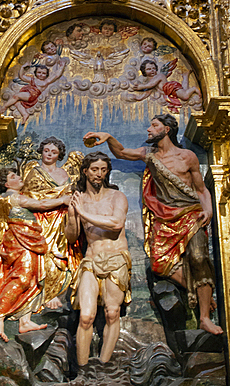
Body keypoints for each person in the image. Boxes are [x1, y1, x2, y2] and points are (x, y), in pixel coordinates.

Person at [87, 115, 222, 335]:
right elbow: (121, 152)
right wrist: (109, 136)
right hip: (165, 219)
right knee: (159, 266)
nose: (149, 129)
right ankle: (197, 292)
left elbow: (200, 189)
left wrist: (208, 210)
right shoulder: (149, 155)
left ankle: (205, 317)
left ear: (167, 130)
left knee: (199, 258)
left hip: (190, 214)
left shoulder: (187, 156)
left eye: (154, 126)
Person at [0, 168, 72, 341]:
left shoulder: (3, 199)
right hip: (22, 242)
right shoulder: (13, 197)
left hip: (28, 241)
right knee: (23, 278)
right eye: (13, 176)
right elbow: (41, 205)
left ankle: (25, 320)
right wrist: (63, 199)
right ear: (6, 184)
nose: (19, 178)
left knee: (33, 278)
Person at [65, 152, 130, 365]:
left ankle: (103, 365)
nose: (99, 174)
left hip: (116, 258)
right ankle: (83, 370)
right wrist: (73, 215)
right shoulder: (79, 200)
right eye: (94, 169)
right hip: (91, 260)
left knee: (112, 313)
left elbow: (116, 224)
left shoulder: (116, 196)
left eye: (103, 170)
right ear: (85, 171)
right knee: (86, 316)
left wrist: (82, 212)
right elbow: (72, 236)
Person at [21, 137, 82, 309]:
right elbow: (29, 195)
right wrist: (58, 199)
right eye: (46, 150)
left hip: (61, 220)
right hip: (39, 218)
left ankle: (55, 293)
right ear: (41, 151)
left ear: (59, 155)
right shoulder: (33, 170)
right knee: (42, 254)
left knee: (60, 256)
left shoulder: (65, 173)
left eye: (54, 152)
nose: (49, 154)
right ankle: (40, 294)